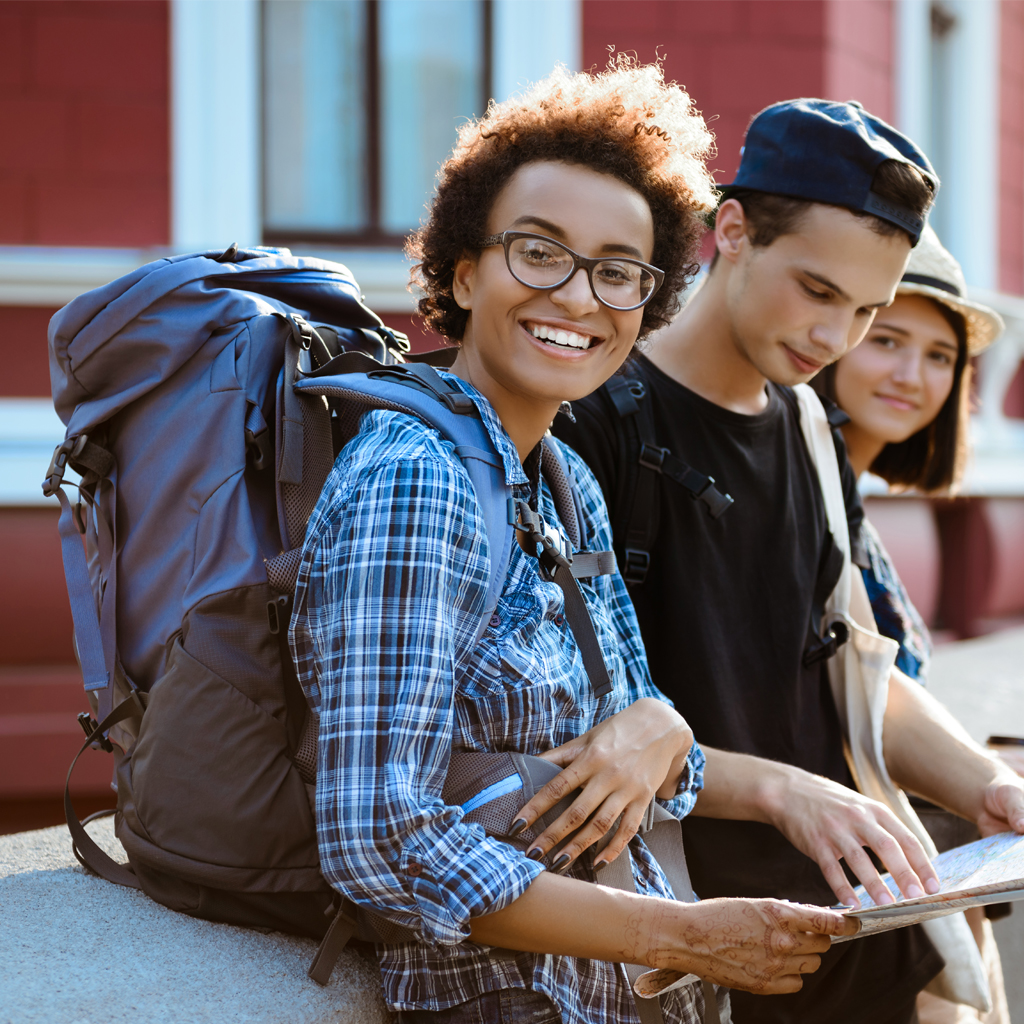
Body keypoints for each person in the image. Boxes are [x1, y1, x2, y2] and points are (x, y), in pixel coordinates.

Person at [289, 66, 854, 1024]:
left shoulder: (560, 475)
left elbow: (625, 740)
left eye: (617, 270)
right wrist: (676, 936)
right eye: (539, 252)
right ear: (464, 272)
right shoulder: (416, 477)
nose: (579, 297)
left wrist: (668, 733)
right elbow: (380, 835)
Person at [552, 98, 1024, 1024]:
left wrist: (989, 785)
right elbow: (566, 733)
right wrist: (781, 793)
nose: (835, 337)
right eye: (817, 290)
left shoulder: (809, 425)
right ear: (731, 230)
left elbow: (852, 666)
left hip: (855, 938)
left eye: (867, 309)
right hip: (694, 950)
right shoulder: (594, 416)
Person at [815, 226, 1012, 1024]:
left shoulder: (850, 492)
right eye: (887, 338)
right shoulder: (799, 481)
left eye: (940, 356)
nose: (913, 374)